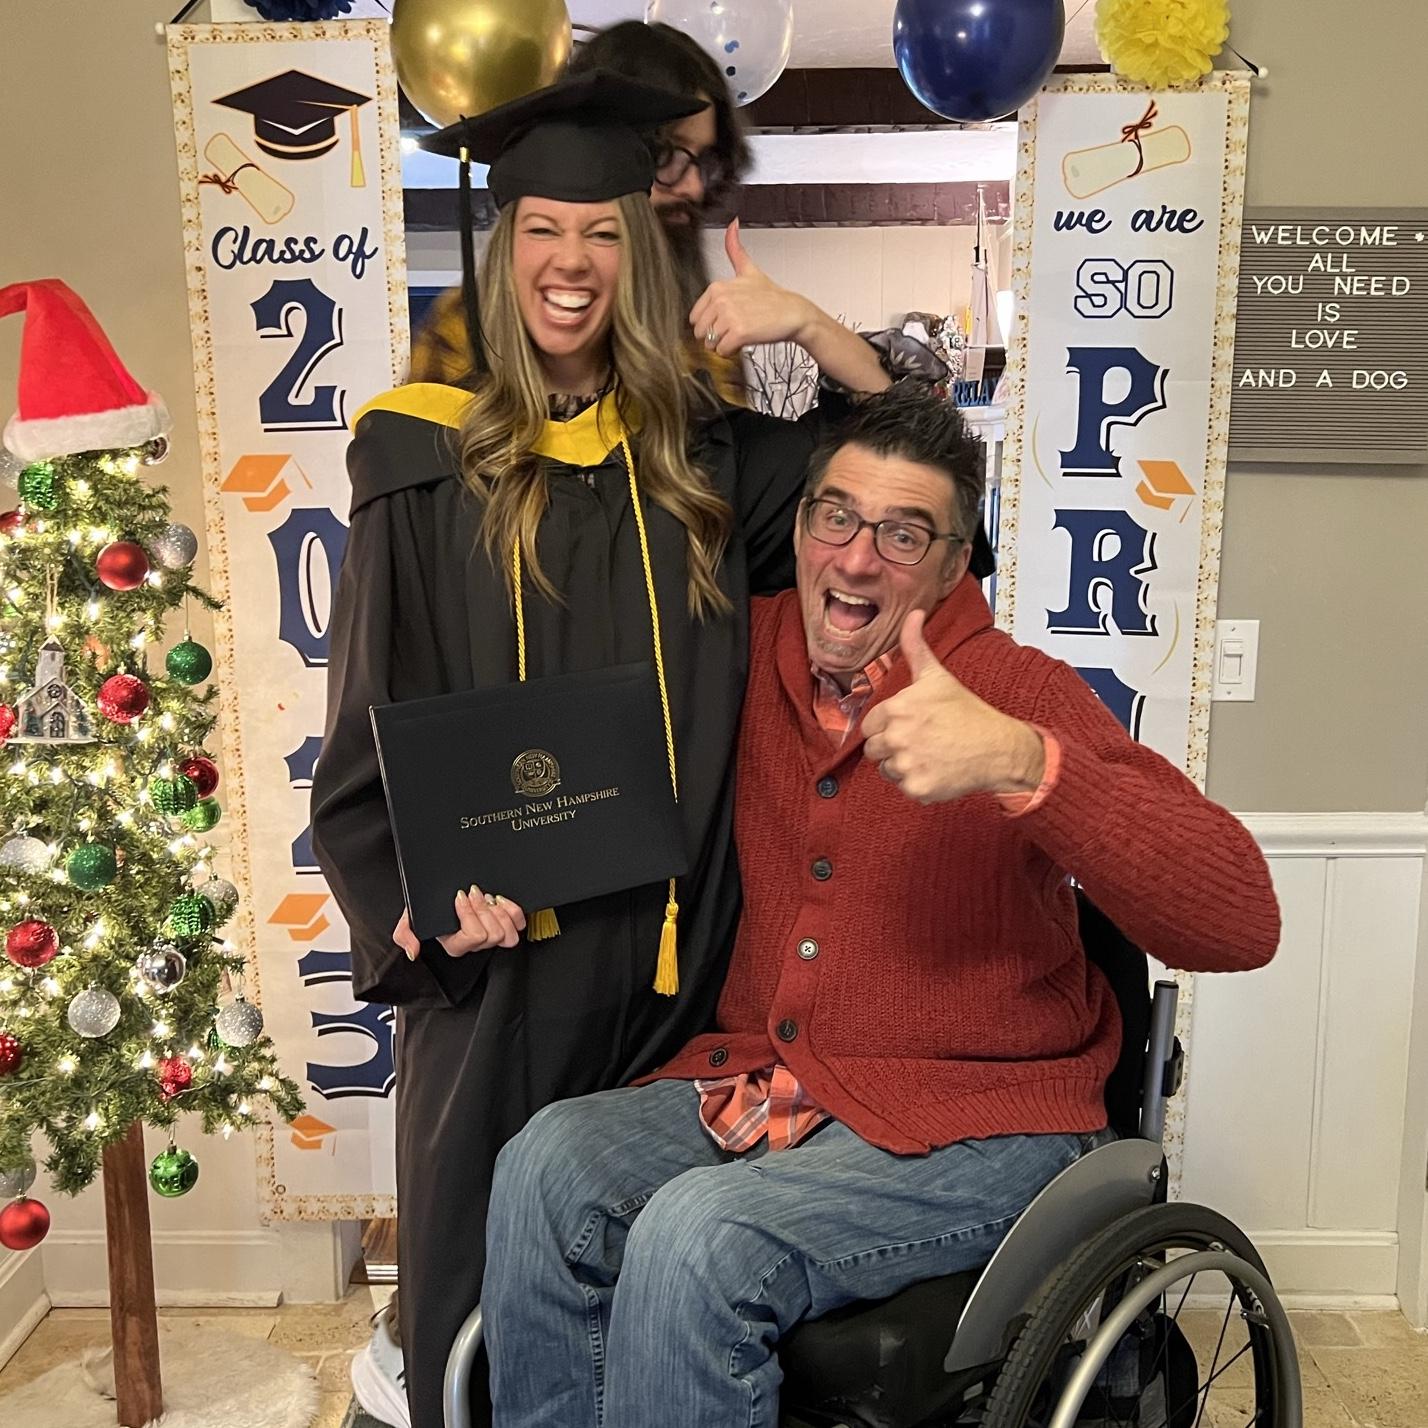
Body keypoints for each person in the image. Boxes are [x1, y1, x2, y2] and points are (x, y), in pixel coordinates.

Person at [481, 386, 1283, 1428]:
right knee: (543, 1164)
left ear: (954, 565)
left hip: (987, 1116)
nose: (858, 559)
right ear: (800, 527)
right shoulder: (736, 655)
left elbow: (1241, 918)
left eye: (904, 534)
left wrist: (1023, 763)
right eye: (838, 517)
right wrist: (464, 874)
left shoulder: (1016, 692)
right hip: (776, 1081)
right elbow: (566, 749)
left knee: (696, 1239)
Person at [312, 70, 900, 1428]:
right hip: (500, 974)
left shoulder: (706, 461)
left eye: (600, 232)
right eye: (542, 229)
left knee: (658, 1302)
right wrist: (425, 912)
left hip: (680, 968)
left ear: (637, 252)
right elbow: (364, 730)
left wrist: (813, 325)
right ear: (502, 244)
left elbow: (908, 489)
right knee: (476, 1294)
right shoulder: (418, 459)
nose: (569, 262)